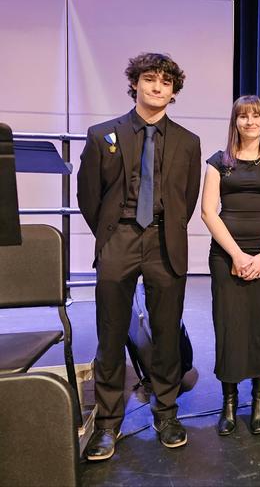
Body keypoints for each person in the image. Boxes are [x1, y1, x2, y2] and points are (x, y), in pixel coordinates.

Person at [77, 53, 201, 460]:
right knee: (111, 334)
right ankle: (108, 424)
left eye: (166, 82)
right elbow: (88, 196)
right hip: (119, 240)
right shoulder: (102, 135)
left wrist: (164, 229)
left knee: (166, 334)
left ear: (174, 91)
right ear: (135, 84)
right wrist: (111, 235)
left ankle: (166, 413)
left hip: (165, 241)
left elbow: (187, 196)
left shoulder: (188, 142)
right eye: (150, 80)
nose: (157, 88)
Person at [200, 95, 260, 435]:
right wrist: (238, 256)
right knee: (228, 326)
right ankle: (228, 403)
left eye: (256, 116)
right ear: (235, 122)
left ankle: (258, 401)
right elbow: (208, 211)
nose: (250, 122)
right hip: (226, 255)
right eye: (243, 116)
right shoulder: (218, 162)